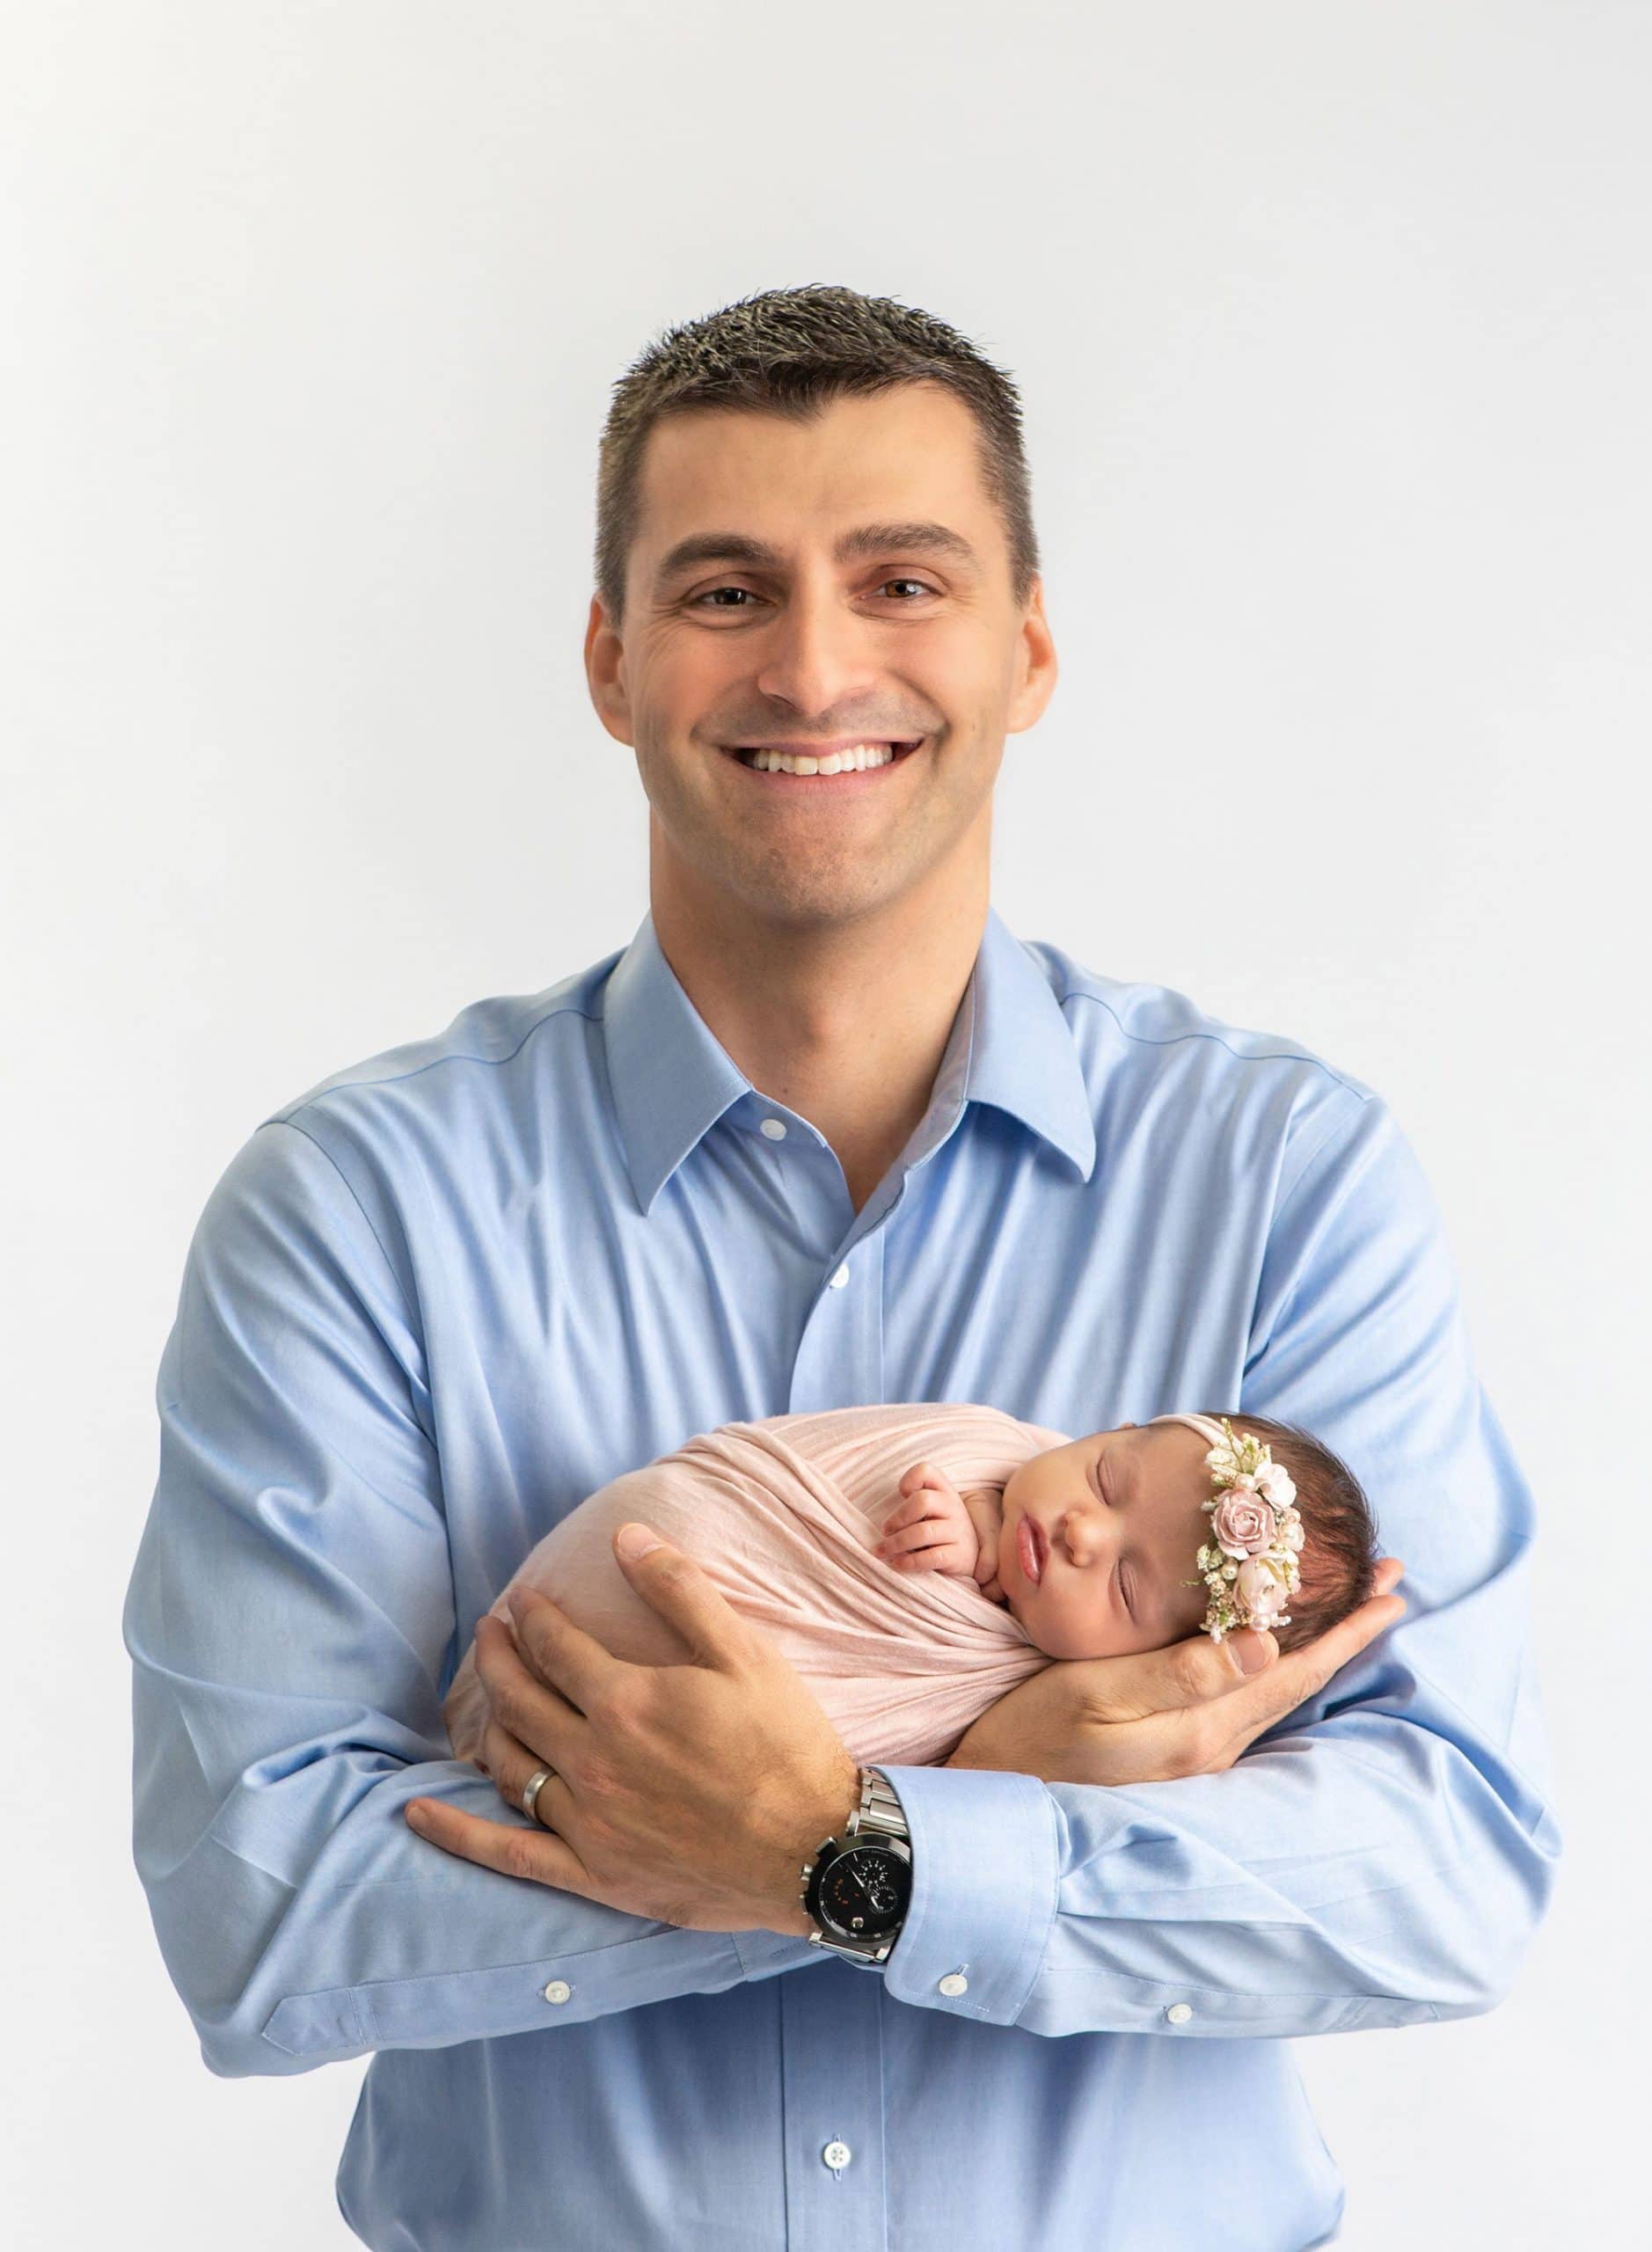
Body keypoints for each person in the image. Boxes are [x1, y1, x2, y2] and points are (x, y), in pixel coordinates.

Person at [123, 283, 1561, 2251]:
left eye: (901, 582)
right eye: (726, 592)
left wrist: (856, 1845)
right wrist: (962, 1803)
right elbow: (258, 1907)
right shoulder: (355, 1210)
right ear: (612, 661)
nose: (813, 670)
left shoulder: (1284, 1180)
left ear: (1025, 647)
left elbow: (1437, 1871)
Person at [439, 1401, 1381, 1779]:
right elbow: (916, 1473)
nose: (1081, 1531)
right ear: (1113, 1428)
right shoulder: (992, 1453)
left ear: (1154, 1663)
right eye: (1106, 1475)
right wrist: (965, 1512)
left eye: (1128, 1587)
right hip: (682, 1540)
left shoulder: (1038, 1696)